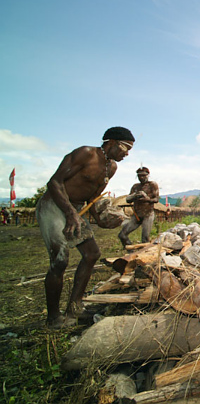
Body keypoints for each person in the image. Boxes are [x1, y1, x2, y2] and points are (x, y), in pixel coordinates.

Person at [36, 126, 134, 328]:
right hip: (55, 205)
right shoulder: (86, 153)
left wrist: (99, 220)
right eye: (126, 148)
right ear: (112, 142)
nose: (127, 153)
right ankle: (53, 318)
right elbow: (54, 182)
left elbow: (92, 198)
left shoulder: (111, 167)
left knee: (91, 254)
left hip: (76, 209)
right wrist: (70, 213)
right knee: (60, 261)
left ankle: (75, 306)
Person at [118, 167, 159, 247]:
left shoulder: (152, 185)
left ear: (148, 175)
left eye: (143, 175)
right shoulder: (135, 187)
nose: (141, 178)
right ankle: (130, 250)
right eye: (139, 176)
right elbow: (128, 200)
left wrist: (147, 199)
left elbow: (156, 199)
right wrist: (134, 196)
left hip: (148, 214)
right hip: (136, 215)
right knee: (122, 235)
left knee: (145, 238)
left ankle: (143, 255)